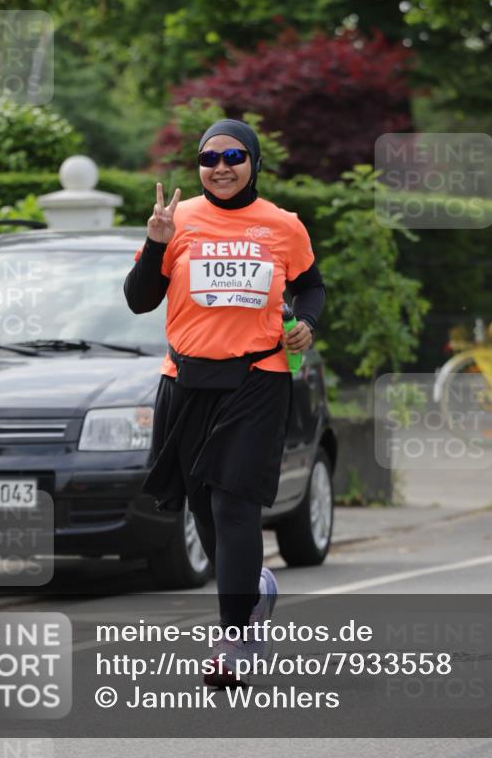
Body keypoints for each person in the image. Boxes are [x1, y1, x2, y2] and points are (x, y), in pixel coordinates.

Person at [124, 118, 325, 688]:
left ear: (253, 162)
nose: (221, 167)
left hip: (257, 377)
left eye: (234, 156)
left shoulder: (283, 226)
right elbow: (140, 301)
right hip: (184, 380)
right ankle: (253, 589)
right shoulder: (178, 221)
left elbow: (311, 285)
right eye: (209, 158)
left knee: (235, 505)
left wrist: (306, 322)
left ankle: (233, 639)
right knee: (204, 507)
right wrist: (155, 245)